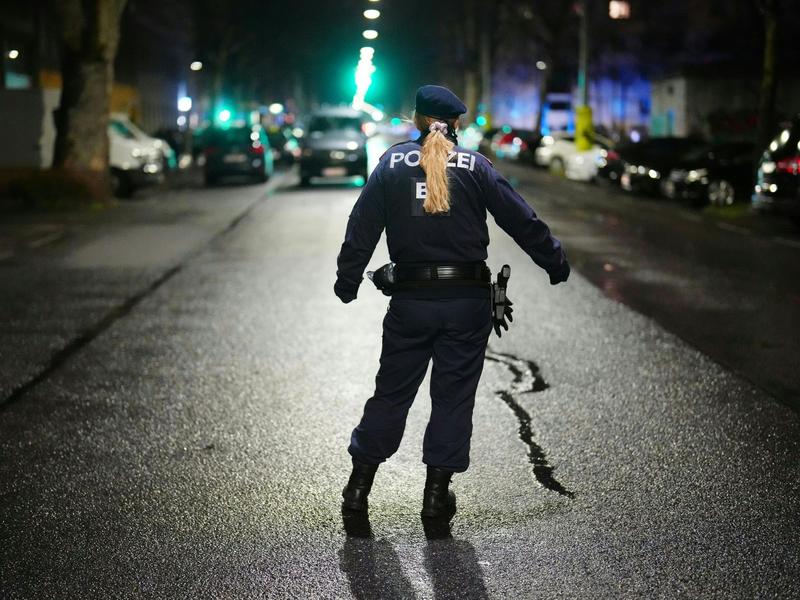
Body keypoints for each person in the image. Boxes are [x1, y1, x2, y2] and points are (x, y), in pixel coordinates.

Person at [335, 85, 570, 519]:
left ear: (415, 120)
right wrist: (553, 260)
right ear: (455, 123)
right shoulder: (476, 166)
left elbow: (362, 224)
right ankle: (436, 498)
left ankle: (357, 490)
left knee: (390, 395)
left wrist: (348, 279)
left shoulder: (391, 163)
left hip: (410, 303)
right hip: (466, 305)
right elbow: (521, 218)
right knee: (453, 399)